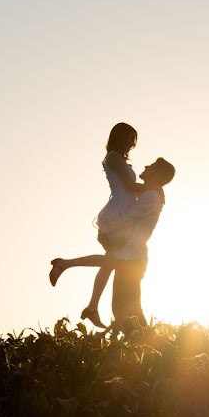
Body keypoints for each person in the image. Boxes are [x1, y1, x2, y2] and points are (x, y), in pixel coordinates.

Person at [49, 157, 175, 330]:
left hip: (132, 254)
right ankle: (65, 267)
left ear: (158, 174)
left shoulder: (152, 196)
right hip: (131, 254)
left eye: (152, 166)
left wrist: (107, 231)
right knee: (126, 309)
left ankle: (144, 346)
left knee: (127, 310)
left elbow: (131, 216)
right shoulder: (151, 193)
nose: (146, 165)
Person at [49, 122, 144, 328]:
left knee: (111, 262)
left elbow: (132, 189)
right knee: (113, 262)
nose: (132, 145)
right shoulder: (114, 157)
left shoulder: (119, 159)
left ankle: (90, 304)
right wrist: (154, 188)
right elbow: (129, 186)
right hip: (117, 215)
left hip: (124, 214)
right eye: (129, 139)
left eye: (133, 141)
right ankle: (65, 266)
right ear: (120, 137)